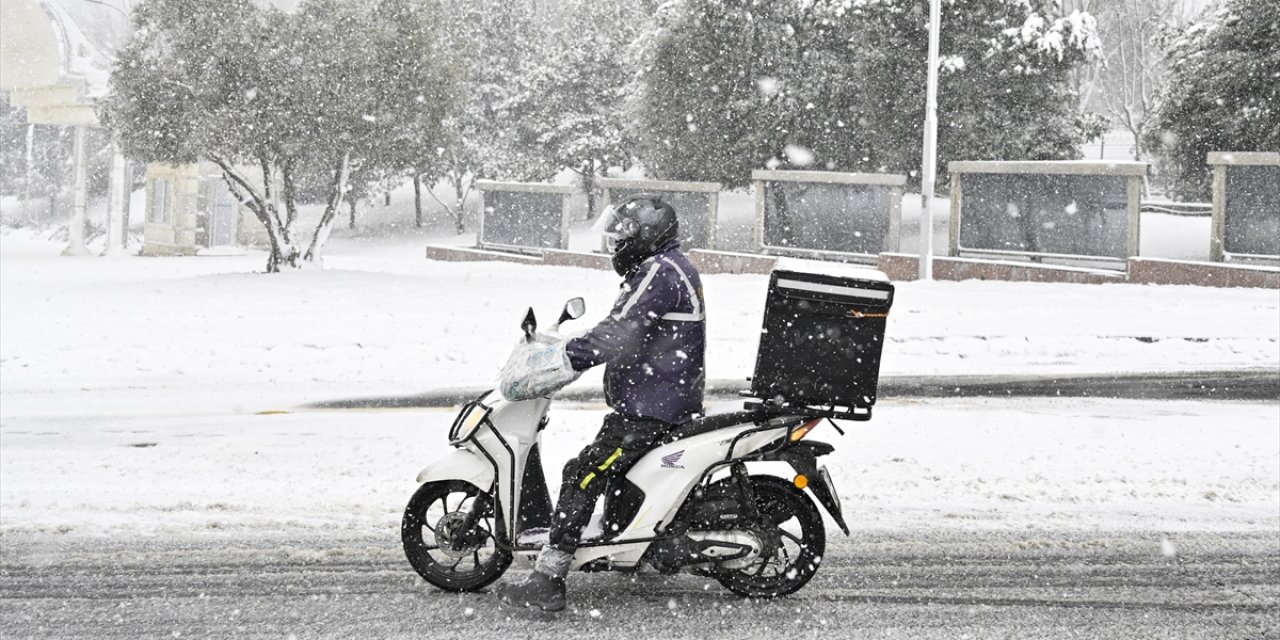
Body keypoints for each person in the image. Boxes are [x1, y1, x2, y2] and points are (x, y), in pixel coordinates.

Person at [493, 194, 706, 612]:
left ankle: (548, 579)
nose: (615, 245)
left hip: (652, 408)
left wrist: (565, 360)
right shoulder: (665, 267)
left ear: (645, 235)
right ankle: (640, 548)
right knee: (611, 474)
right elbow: (624, 326)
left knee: (583, 474)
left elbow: (620, 332)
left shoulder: (659, 271)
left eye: (622, 235)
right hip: (658, 400)